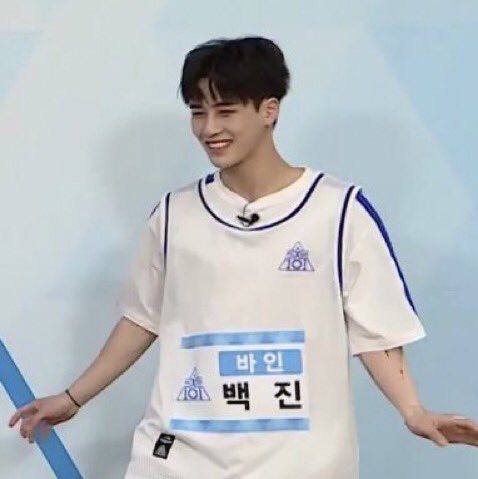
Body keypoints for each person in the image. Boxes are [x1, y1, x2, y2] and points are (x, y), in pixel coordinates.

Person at [8, 36, 478, 478]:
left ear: (269, 110)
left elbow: (375, 330)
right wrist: (73, 397)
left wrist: (413, 411)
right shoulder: (175, 214)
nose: (209, 128)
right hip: (181, 458)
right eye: (198, 112)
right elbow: (142, 319)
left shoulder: (339, 212)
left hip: (299, 462)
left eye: (226, 111)